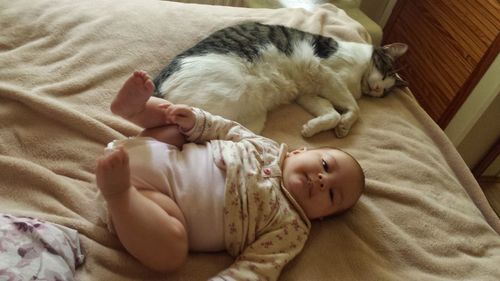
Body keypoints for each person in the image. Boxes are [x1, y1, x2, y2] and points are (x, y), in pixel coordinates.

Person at [96, 70, 365, 280]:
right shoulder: (267, 146)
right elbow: (225, 130)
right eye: (326, 166)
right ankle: (135, 110)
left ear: (320, 217)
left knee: (172, 253)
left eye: (332, 194)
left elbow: (259, 268)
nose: (322, 180)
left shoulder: (290, 227)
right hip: (161, 149)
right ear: (299, 151)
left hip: (151, 203)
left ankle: (119, 195)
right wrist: (197, 121)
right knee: (178, 121)